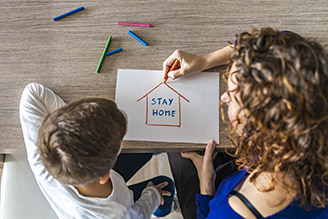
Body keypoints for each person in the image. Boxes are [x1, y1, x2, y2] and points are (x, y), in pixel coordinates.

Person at [163, 28, 328, 218]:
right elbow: (278, 44)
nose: (224, 97)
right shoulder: (311, 112)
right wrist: (204, 61)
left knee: (179, 155)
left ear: (263, 125)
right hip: (247, 170)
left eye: (233, 96)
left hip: (215, 195)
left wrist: (205, 186)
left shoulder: (230, 212)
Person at [19, 83, 175, 219]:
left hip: (90, 183)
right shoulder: (119, 214)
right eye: (119, 143)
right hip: (118, 202)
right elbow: (140, 214)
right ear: (105, 174)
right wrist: (152, 195)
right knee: (165, 185)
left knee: (145, 150)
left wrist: (73, 125)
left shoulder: (45, 156)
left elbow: (32, 93)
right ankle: (165, 210)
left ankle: (153, 152)